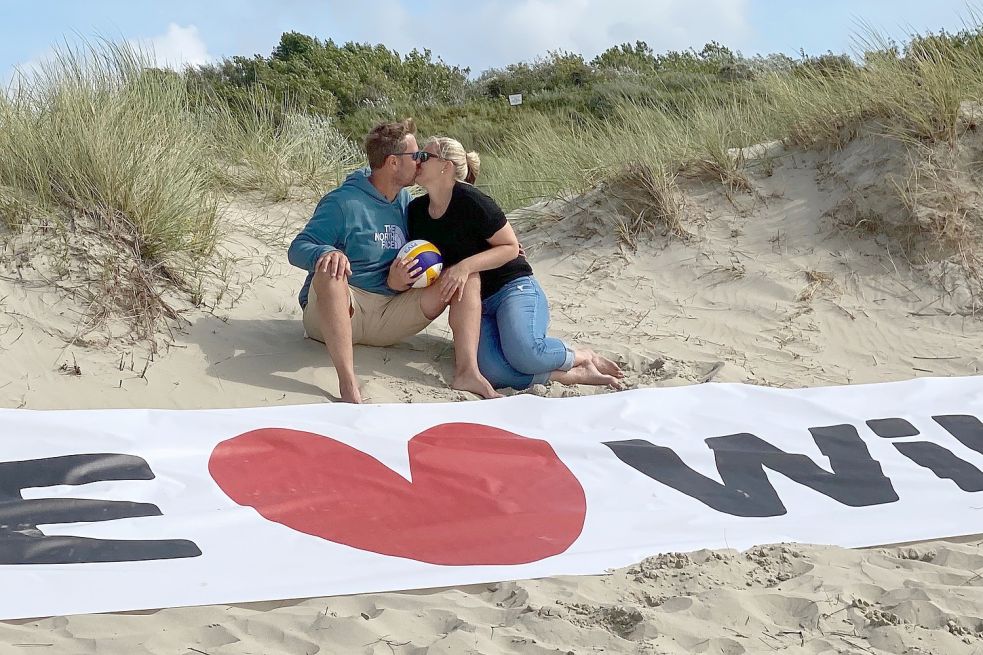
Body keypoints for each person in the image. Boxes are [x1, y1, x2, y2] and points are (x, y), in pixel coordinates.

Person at [288, 120, 499, 403]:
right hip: (341, 313)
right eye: (416, 156)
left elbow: (438, 244)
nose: (421, 161)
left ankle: (467, 371)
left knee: (465, 275)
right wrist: (326, 252)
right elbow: (298, 247)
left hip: (390, 313)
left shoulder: (405, 203)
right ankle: (348, 383)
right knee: (330, 272)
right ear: (393, 163)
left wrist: (399, 282)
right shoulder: (342, 203)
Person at [408, 136, 625, 391]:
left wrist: (465, 266)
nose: (417, 161)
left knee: (525, 354)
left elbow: (510, 248)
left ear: (446, 166)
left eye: (424, 156)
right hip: (478, 305)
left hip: (513, 287)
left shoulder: (473, 201)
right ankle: (570, 375)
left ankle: (583, 355)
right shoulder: (416, 212)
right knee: (495, 372)